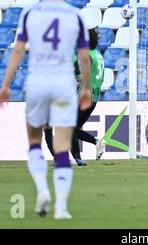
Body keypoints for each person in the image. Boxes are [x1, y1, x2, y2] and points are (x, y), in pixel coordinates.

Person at [0, 0, 92, 219]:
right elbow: (84, 56)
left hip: (37, 83)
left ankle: (41, 189)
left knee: (35, 140)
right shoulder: (76, 16)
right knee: (62, 146)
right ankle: (61, 206)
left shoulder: (30, 13)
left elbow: (18, 51)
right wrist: (87, 88)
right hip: (63, 84)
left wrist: (5, 85)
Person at [44, 28, 105, 165]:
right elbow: (87, 77)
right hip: (94, 97)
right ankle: (95, 143)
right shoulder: (98, 56)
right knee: (74, 129)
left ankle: (68, 158)